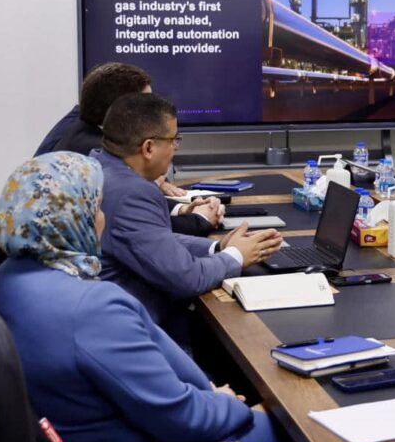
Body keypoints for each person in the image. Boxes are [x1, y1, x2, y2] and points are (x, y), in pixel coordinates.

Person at [0, 152, 293, 442]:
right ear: (73, 218)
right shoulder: (90, 310)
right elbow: (184, 419)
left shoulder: (6, 279)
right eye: (96, 209)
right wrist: (231, 404)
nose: (103, 220)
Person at [95, 93, 283, 344]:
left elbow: (154, 240)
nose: (176, 148)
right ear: (149, 148)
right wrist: (235, 256)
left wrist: (218, 247)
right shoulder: (132, 193)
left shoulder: (98, 166)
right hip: (140, 333)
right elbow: (187, 279)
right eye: (174, 140)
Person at [38, 62, 221, 237]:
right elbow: (138, 226)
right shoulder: (98, 155)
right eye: (147, 106)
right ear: (121, 111)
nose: (156, 112)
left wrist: (180, 209)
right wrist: (200, 220)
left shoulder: (78, 125)